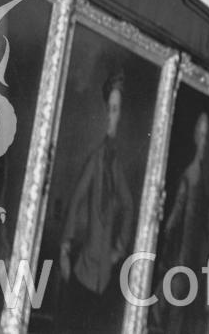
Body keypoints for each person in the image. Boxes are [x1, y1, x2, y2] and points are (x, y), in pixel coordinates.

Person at [59, 72, 137, 330]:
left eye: (117, 111)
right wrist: (65, 249)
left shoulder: (116, 164)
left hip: (107, 274)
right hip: (85, 270)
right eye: (110, 110)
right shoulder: (97, 158)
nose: (113, 117)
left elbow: (128, 205)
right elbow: (77, 199)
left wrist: (120, 248)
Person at [155, 111, 209, 334]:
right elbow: (178, 210)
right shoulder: (190, 174)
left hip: (198, 252)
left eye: (207, 136)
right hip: (184, 250)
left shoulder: (207, 178)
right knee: (176, 297)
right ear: (195, 137)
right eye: (201, 134)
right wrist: (168, 229)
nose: (203, 140)